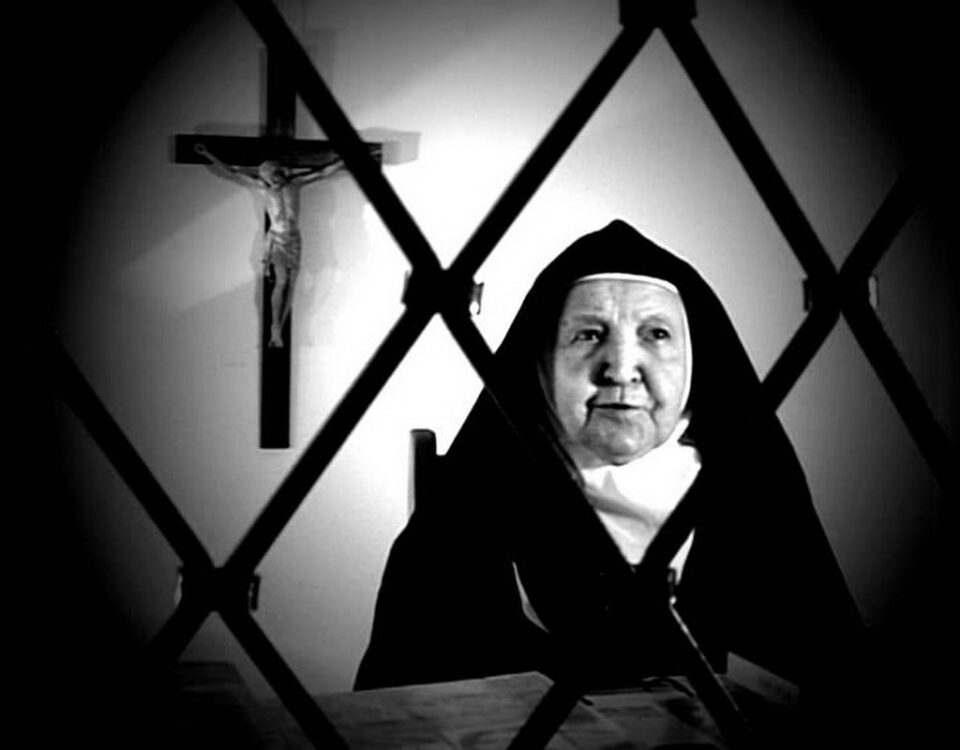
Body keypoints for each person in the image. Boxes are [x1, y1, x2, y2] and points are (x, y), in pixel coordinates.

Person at [355, 220, 868, 741]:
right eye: (588, 334)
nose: (621, 369)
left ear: (697, 361)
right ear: (540, 363)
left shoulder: (756, 501)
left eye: (657, 334)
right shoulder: (469, 508)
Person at [194, 143, 343, 347]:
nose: (273, 177)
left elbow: (324, 172)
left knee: (293, 284)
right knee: (281, 282)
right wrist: (208, 153)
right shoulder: (264, 189)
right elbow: (232, 171)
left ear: (280, 172)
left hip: (294, 239)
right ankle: (275, 328)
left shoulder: (296, 183)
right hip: (277, 239)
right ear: (265, 176)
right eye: (269, 175)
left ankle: (280, 329)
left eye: (275, 173)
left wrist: (346, 159)